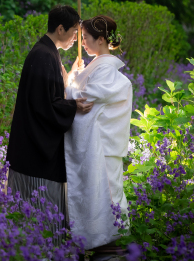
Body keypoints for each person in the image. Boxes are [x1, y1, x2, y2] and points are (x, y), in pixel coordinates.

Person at [5, 5, 93, 243]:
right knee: (39, 218)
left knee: (32, 220)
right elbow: (45, 106)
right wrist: (74, 106)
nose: (76, 38)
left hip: (29, 147)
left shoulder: (46, 52)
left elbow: (50, 94)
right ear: (60, 28)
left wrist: (71, 77)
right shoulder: (44, 56)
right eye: (74, 32)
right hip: (35, 152)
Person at [64, 15, 132, 258]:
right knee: (101, 192)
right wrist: (76, 76)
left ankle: (107, 240)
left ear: (101, 39)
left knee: (106, 192)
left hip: (101, 145)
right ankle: (97, 238)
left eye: (86, 37)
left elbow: (85, 99)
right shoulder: (99, 66)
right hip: (102, 145)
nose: (82, 42)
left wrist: (67, 81)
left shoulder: (105, 69)